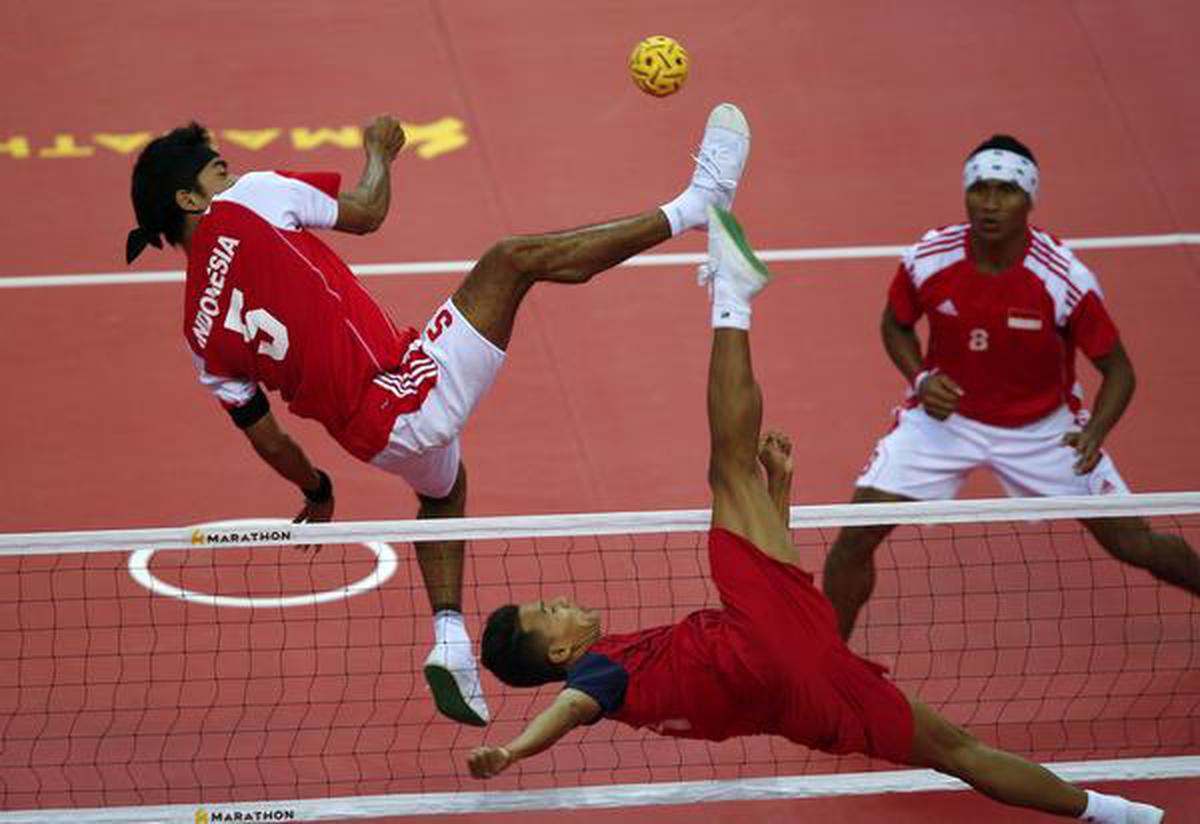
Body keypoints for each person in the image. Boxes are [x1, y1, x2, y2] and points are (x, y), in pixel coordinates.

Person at [469, 206, 1165, 823]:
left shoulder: (625, 672)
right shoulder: (599, 676)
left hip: (807, 700)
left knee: (959, 752)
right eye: (549, 612)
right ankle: (732, 300)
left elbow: (785, 598)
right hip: (756, 646)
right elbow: (568, 709)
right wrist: (512, 750)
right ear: (560, 653)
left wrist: (783, 491)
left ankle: (1120, 815)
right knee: (727, 468)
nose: (558, 601)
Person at [125, 104, 753, 727]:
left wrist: (316, 489)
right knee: (510, 261)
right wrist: (378, 151)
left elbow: (268, 439)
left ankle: (450, 639)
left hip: (366, 438)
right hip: (404, 392)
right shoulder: (250, 200)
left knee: (444, 492)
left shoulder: (199, 335)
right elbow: (367, 212)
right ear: (189, 199)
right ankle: (696, 206)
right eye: (218, 172)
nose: (231, 179)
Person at [823, 134, 1200, 641]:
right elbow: (895, 324)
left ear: (1029, 200)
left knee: (1135, 543)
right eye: (980, 188)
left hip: (1046, 431)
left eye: (1006, 190)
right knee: (853, 540)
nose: (991, 203)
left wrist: (1096, 433)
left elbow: (1120, 371)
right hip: (943, 424)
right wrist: (921, 378)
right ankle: (827, 663)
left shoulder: (1063, 277)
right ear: (966, 194)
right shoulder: (928, 258)